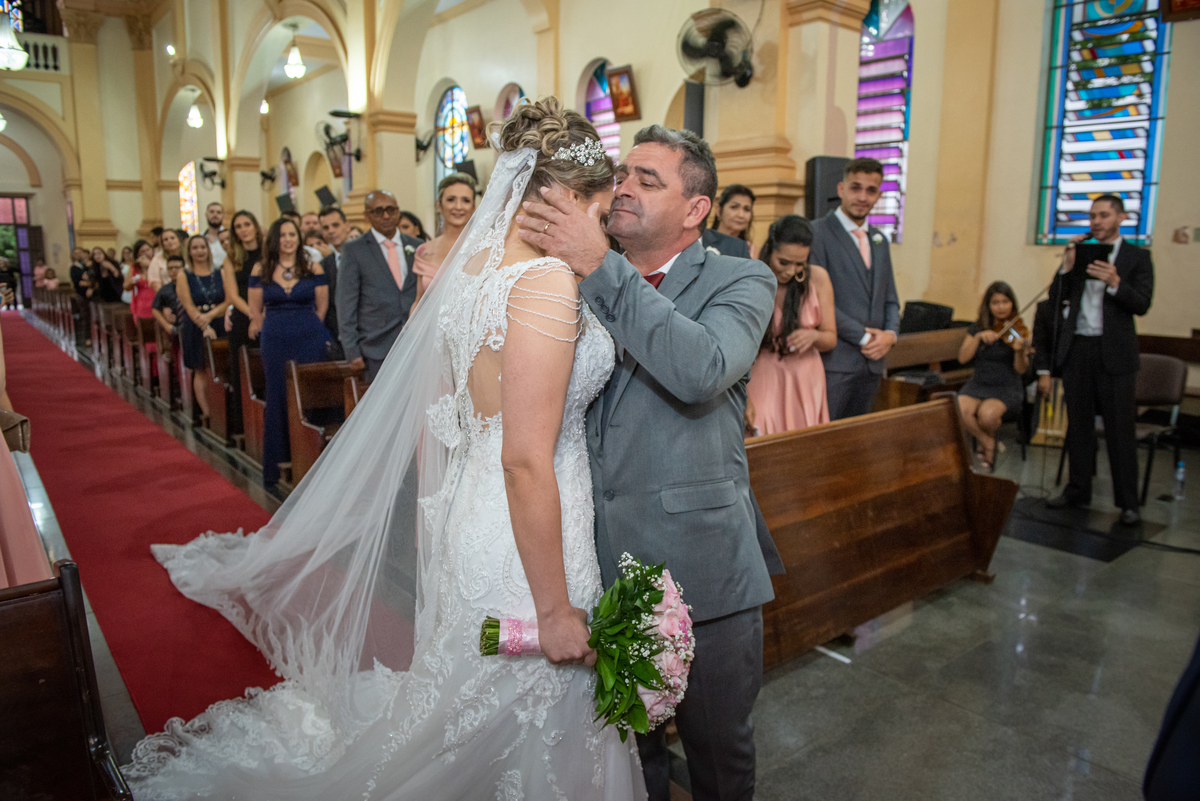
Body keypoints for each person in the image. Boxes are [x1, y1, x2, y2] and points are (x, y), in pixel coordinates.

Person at [123, 98, 647, 800]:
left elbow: (455, 417)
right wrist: (552, 610)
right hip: (528, 525)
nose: (601, 224)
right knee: (533, 701)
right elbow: (525, 457)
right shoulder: (546, 283)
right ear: (561, 197)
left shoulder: (467, 270)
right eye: (598, 207)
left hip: (478, 513)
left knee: (482, 696)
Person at [517, 121, 780, 801]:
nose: (624, 187)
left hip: (705, 569)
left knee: (719, 757)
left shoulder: (743, 279)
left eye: (648, 180)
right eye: (623, 174)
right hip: (603, 566)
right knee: (634, 760)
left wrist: (598, 261)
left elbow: (701, 368)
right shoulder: (566, 282)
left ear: (696, 210)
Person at [1046, 194, 1154, 526]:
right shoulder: (1080, 254)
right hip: (1079, 349)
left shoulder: (1137, 257)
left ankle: (1128, 504)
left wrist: (1115, 282)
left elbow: (1142, 303)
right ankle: (1078, 491)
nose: (1096, 222)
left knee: (1119, 430)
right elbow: (1055, 297)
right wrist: (1066, 266)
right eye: (1092, 216)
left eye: (1104, 215)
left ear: (1121, 217)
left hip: (1115, 355)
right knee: (1078, 427)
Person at [809, 157, 900, 420]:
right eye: (855, 187)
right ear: (841, 189)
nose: (862, 196)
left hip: (873, 363)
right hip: (836, 362)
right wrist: (864, 337)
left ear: (879, 195)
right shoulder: (817, 234)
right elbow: (816, 299)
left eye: (871, 190)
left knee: (856, 444)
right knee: (824, 442)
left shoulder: (879, 240)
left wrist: (890, 335)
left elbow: (891, 298)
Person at [247, 218, 331, 485]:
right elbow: (255, 310)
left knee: (308, 393)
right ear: (275, 239)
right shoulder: (262, 268)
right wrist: (269, 329)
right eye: (282, 234)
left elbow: (322, 308)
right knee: (277, 394)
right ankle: (279, 461)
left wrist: (309, 330)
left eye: (292, 234)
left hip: (309, 336)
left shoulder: (312, 266)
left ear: (299, 237)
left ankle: (311, 457)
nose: (287, 239)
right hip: (275, 337)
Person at [744, 215, 835, 436]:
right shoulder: (750, 277)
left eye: (799, 264)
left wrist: (813, 337)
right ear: (770, 251)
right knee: (761, 430)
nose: (790, 271)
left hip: (805, 375)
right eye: (783, 262)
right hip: (763, 372)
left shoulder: (819, 278)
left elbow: (831, 338)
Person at [335, 189, 421, 380]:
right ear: (367, 215)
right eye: (378, 211)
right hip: (375, 347)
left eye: (391, 209)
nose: (386, 215)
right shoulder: (354, 250)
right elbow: (345, 303)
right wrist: (352, 350)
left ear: (398, 211)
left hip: (416, 344)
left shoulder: (417, 246)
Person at [956, 282, 1030, 471]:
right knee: (958, 409)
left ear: (1012, 304)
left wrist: (1020, 351)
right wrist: (979, 337)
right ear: (988, 306)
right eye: (996, 302)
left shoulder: (1017, 330)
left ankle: (985, 444)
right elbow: (963, 358)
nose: (1001, 307)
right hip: (979, 383)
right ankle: (988, 442)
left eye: (1005, 302)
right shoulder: (977, 327)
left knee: (987, 416)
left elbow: (1021, 370)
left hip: (1006, 387)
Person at [220, 210, 265, 437]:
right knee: (242, 372)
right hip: (242, 318)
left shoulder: (269, 252)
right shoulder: (232, 258)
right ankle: (245, 427)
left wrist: (260, 316)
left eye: (247, 224)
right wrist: (253, 315)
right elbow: (233, 295)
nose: (243, 229)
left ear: (255, 226)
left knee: (266, 370)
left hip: (268, 314)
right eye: (238, 226)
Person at [176, 235, 228, 421]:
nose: (199, 251)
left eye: (202, 247)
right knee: (200, 368)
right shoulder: (184, 275)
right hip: (195, 324)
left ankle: (221, 412)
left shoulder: (220, 273)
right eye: (195, 248)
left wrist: (211, 317)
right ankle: (207, 412)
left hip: (219, 322)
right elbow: (188, 305)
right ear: (189, 252)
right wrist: (204, 324)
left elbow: (228, 299)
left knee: (220, 367)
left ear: (208, 250)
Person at [412, 173, 477, 307]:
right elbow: (419, 301)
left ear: (474, 207)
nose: (458, 206)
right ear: (438, 205)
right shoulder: (424, 250)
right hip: (431, 327)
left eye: (465, 200)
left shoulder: (486, 246)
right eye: (451, 199)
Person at [317, 205, 351, 359]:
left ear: (347, 226)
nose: (331, 230)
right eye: (326, 227)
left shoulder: (366, 256)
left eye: (335, 225)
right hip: (337, 339)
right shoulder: (322, 266)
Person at [710, 183, 759, 258]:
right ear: (718, 210)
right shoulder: (702, 240)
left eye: (747, 209)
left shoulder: (751, 251)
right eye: (734, 207)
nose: (741, 215)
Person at [150, 255, 185, 337]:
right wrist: (166, 325)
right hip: (175, 327)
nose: (173, 270)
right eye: (170, 268)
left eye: (177, 267)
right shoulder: (164, 290)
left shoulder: (192, 285)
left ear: (184, 268)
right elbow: (155, 309)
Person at [123, 240, 157, 321]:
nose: (146, 253)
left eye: (148, 250)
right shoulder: (134, 267)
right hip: (141, 303)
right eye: (143, 251)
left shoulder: (158, 264)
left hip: (157, 301)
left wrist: (150, 265)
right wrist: (131, 283)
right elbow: (126, 287)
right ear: (138, 254)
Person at [203, 202, 227, 268]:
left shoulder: (230, 238)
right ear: (206, 215)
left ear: (223, 216)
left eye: (218, 212)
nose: (215, 215)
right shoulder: (201, 239)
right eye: (212, 212)